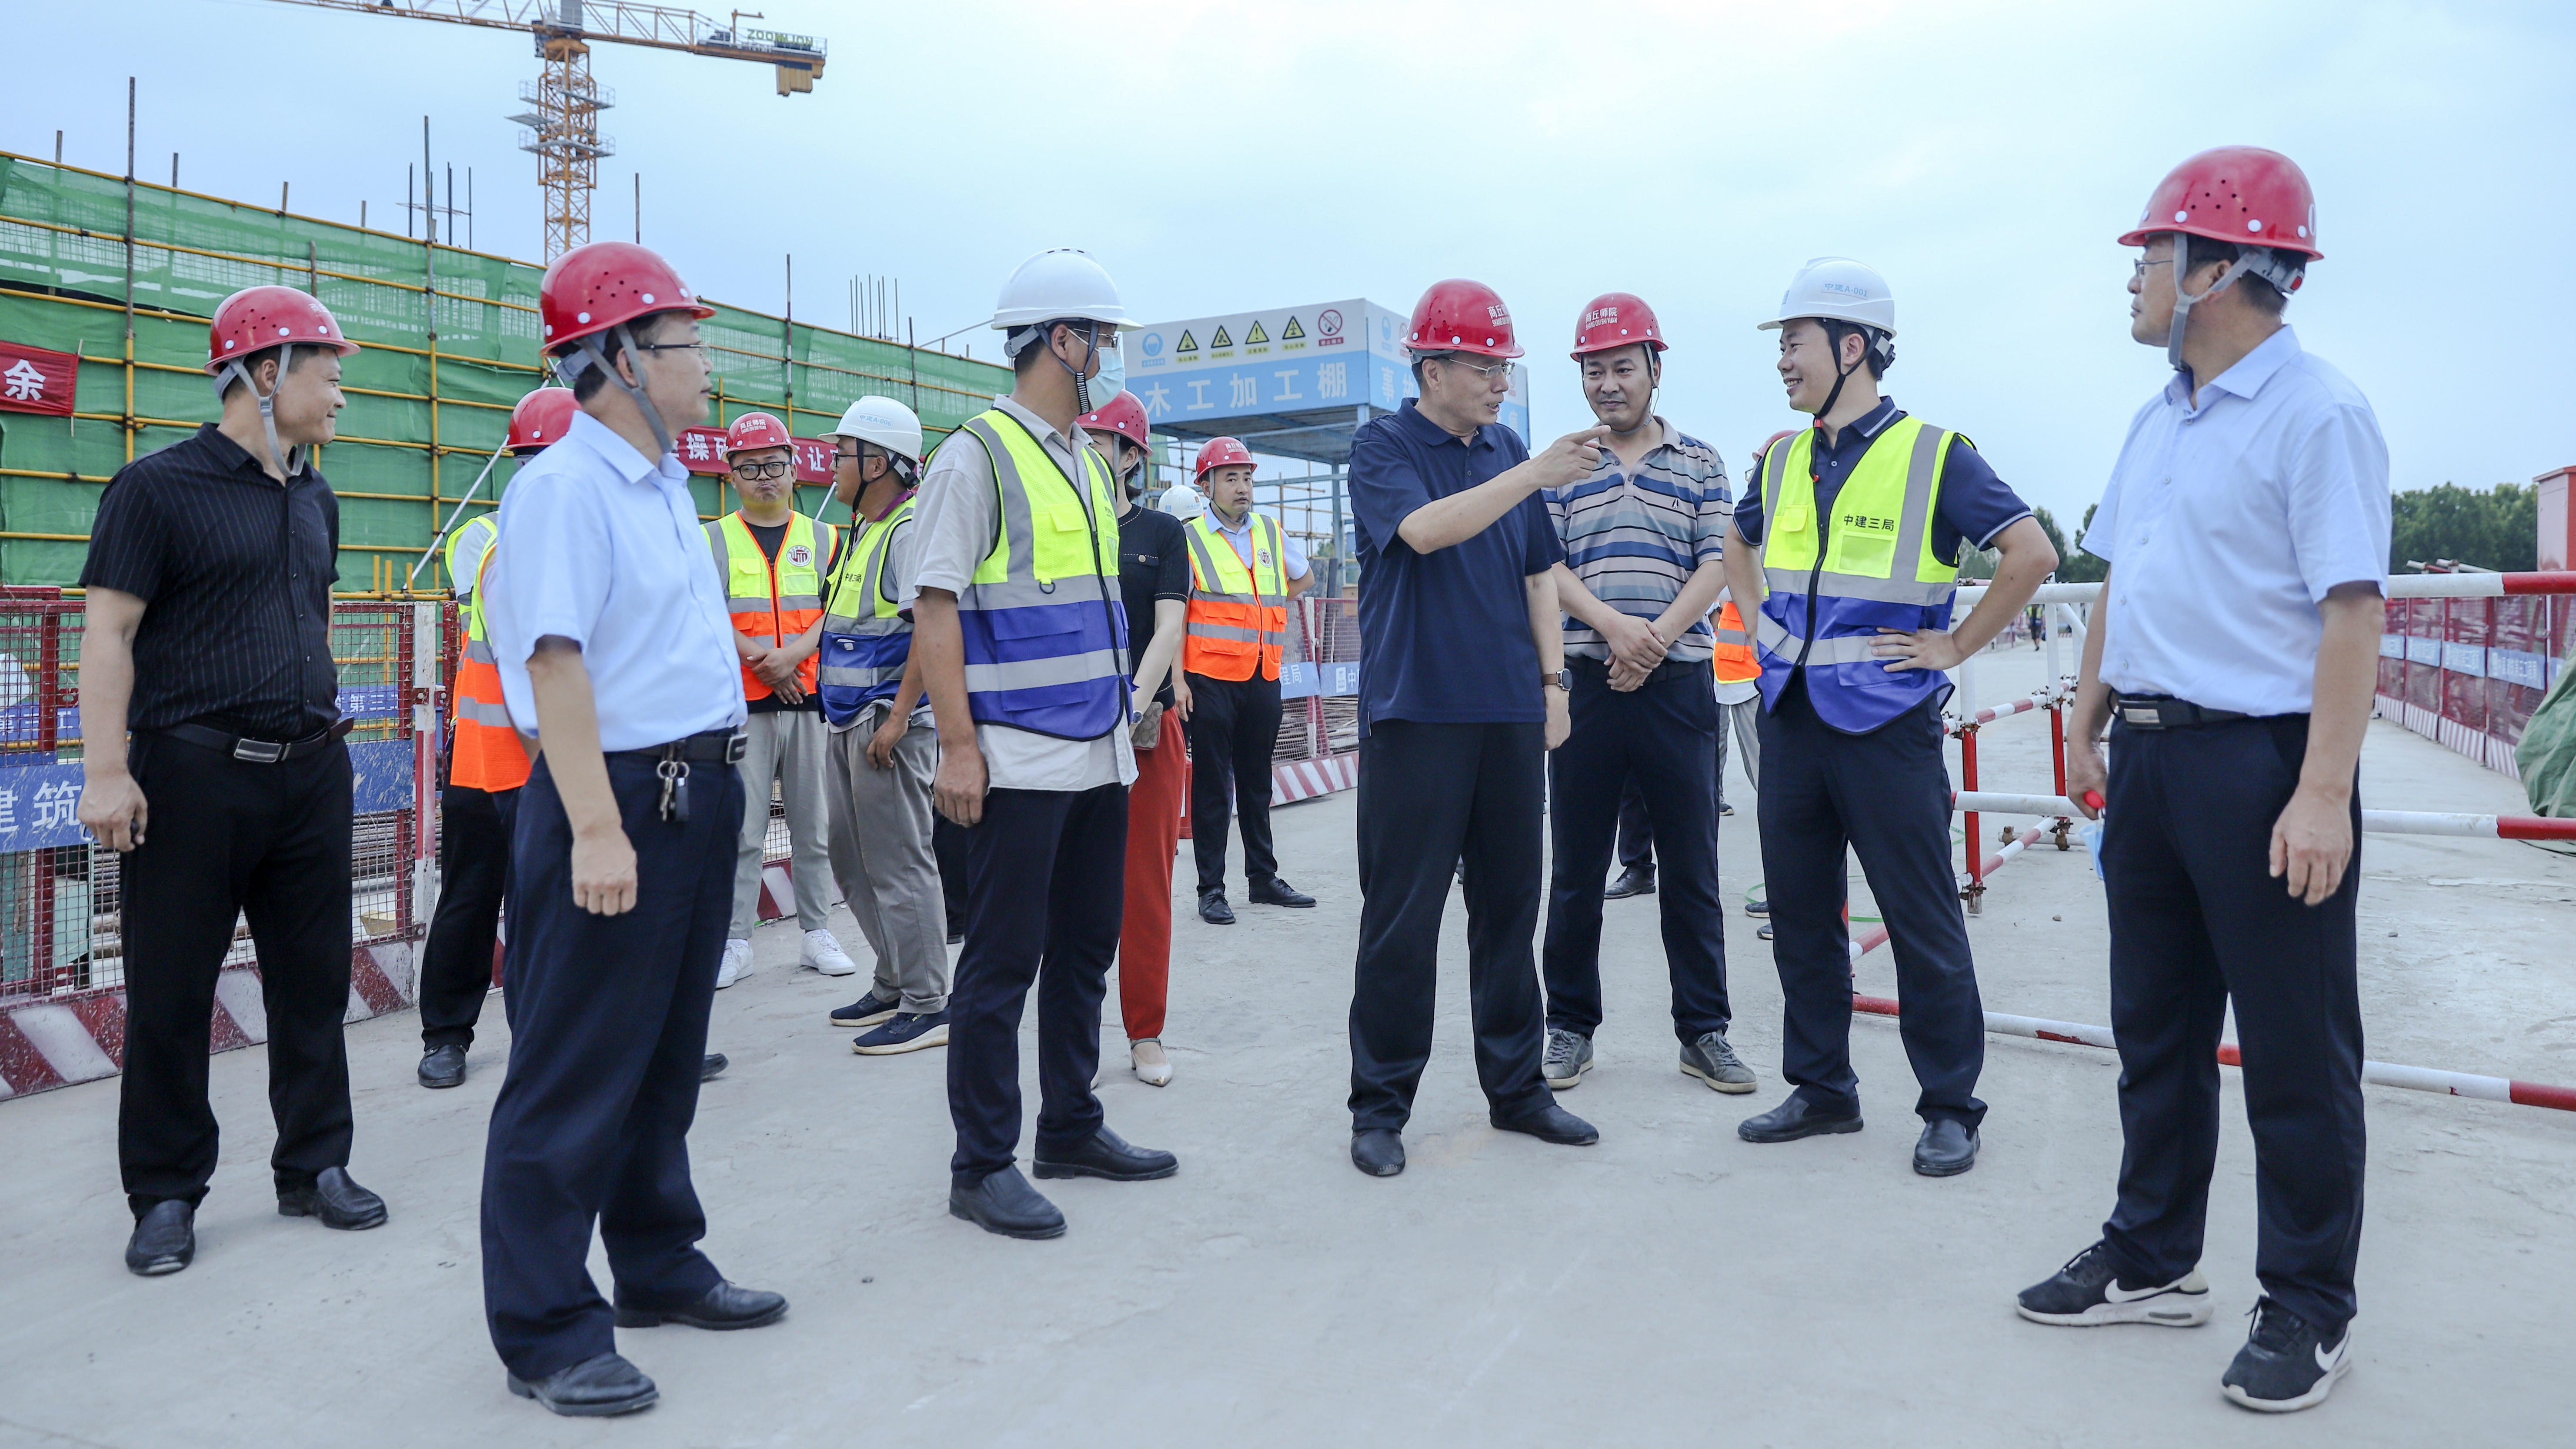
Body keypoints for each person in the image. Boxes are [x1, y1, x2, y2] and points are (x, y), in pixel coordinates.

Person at [2015, 147, 2383, 1416]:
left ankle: (2309, 1304)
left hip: (2262, 762)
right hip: (2155, 761)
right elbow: (2123, 581)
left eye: (2152, 255)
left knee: (2293, 1051)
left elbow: (2350, 613)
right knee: (2156, 1032)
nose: (2134, 278)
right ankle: (2153, 1254)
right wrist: (2086, 718)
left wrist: (2322, 791)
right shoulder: (2157, 418)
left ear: (2218, 268)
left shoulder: (2316, 415)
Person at [476, 241, 785, 1418]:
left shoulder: (660, 487)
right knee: (574, 1069)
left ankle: (657, 1261)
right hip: (616, 802)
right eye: (684, 344)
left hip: (697, 794)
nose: (705, 365)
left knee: (663, 1056)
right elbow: (554, 666)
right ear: (615, 359)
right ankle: (547, 1328)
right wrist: (598, 831)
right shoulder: (563, 489)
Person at [1721, 257, 2055, 1178]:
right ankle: (1822, 1088)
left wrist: (1955, 645)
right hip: (1792, 718)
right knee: (1800, 917)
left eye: (1794, 342)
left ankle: (1949, 1106)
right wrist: (1757, 626)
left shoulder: (1935, 455)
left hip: (1887, 727)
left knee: (1920, 920)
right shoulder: (1781, 459)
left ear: (1851, 347)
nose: (1782, 359)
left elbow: (2029, 553)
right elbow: (1736, 545)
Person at [77, 284, 384, 1278]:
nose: (340, 395)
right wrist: (106, 771)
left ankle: (315, 1164)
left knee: (314, 981)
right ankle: (166, 1191)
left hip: (311, 771)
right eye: (327, 374)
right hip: (193, 774)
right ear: (265, 372)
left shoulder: (316, 497)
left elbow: (308, 617)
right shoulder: (154, 490)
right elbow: (109, 633)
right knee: (171, 990)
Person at [914, 248, 1177, 1240]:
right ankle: (982, 1165)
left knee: (1083, 950)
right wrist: (958, 747)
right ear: (1062, 342)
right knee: (1001, 964)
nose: (1108, 356)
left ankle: (1069, 1125)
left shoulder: (1081, 462)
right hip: (1018, 755)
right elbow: (935, 607)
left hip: (1098, 751)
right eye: (1101, 339)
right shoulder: (974, 456)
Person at [1343, 278, 1606, 1179]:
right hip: (1416, 714)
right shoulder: (1383, 447)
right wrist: (1530, 475)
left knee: (1507, 913)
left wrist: (1552, 684)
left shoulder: (1504, 447)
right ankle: (1379, 1107)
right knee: (1401, 922)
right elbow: (1421, 532)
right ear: (1431, 368)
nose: (1499, 382)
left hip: (1505, 714)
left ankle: (1517, 1088)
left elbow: (1537, 574)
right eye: (1484, 366)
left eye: (1503, 367)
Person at [1536, 293, 1752, 1097]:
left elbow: (1717, 563)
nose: (1607, 384)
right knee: (1576, 869)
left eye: (1622, 367)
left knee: (1691, 867)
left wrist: (1652, 637)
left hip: (1677, 688)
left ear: (1654, 369)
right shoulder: (1563, 463)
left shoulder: (1699, 462)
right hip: (1588, 689)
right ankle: (1568, 1027)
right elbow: (1546, 566)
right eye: (1593, 370)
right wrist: (1612, 630)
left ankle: (1704, 1032)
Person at [416, 385, 573, 1090]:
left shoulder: (590, 545)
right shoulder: (495, 544)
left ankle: (593, 1036)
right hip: (495, 764)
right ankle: (447, 1034)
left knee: (571, 906)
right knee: (473, 898)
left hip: (552, 761)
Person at [814, 395, 951, 1055]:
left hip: (886, 725)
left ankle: (929, 1001)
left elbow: (930, 628)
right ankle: (894, 977)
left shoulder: (906, 530)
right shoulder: (864, 530)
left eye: (842, 453)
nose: (832, 464)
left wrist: (898, 718)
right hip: (848, 720)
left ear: (877, 463)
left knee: (900, 861)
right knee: (850, 857)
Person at [706, 411, 857, 988]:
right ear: (732, 476)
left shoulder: (825, 539)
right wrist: (765, 664)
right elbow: (704, 611)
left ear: (794, 469)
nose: (764, 477)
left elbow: (836, 611)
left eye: (773, 465)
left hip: (808, 700)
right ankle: (736, 940)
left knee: (812, 827)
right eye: (750, 468)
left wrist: (791, 657)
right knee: (743, 831)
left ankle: (817, 932)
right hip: (743, 705)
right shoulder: (711, 540)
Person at [1076, 390, 1193, 1085]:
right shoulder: (1060, 528)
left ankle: (1145, 1031)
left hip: (1144, 729)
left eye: (1098, 443)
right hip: (1067, 729)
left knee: (1144, 889)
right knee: (1074, 891)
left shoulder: (1160, 534)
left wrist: (1133, 703)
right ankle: (1076, 1036)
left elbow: (1169, 626)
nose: (1086, 453)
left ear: (1130, 457)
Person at [1181, 436, 1317, 925]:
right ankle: (1211, 890)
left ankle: (1263, 879)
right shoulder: (1189, 538)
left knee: (1257, 784)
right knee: (1212, 789)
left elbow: (1303, 579)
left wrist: (1268, 605)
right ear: (1206, 486)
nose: (1242, 487)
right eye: (1230, 478)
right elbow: (1174, 613)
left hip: (1263, 675)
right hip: (1209, 679)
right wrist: (1177, 681)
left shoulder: (1269, 531)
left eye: (1246, 478)